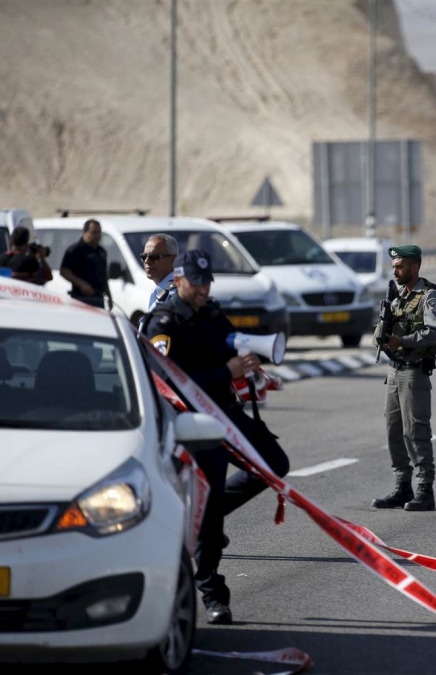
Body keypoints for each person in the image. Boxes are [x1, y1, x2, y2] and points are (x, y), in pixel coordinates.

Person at [144, 250, 290, 625]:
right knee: (208, 512)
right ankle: (212, 593)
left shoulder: (210, 311)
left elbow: (228, 339)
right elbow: (170, 382)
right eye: (196, 283)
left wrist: (250, 356)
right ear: (178, 281)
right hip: (194, 423)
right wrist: (225, 370)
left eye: (207, 283)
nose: (203, 290)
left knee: (274, 464)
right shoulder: (164, 323)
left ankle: (206, 514)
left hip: (226, 412)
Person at [371, 245, 436, 512]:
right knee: (394, 431)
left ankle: (425, 489)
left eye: (400, 266)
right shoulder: (397, 296)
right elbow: (381, 334)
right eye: (393, 266)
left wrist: (402, 340)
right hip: (394, 370)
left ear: (415, 267)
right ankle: (402, 486)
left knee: (416, 431)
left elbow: (435, 332)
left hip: (415, 371)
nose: (395, 270)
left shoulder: (429, 296)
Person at [60, 218, 112, 309]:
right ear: (85, 232)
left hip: (98, 297)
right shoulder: (75, 250)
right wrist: (81, 284)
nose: (97, 235)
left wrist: (109, 295)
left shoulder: (101, 251)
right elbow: (64, 271)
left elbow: (103, 276)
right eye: (93, 232)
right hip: (81, 298)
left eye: (99, 232)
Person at [138, 233, 179, 332]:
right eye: (144, 256)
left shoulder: (176, 294)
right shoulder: (161, 289)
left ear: (173, 260)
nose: (147, 261)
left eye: (154, 256)